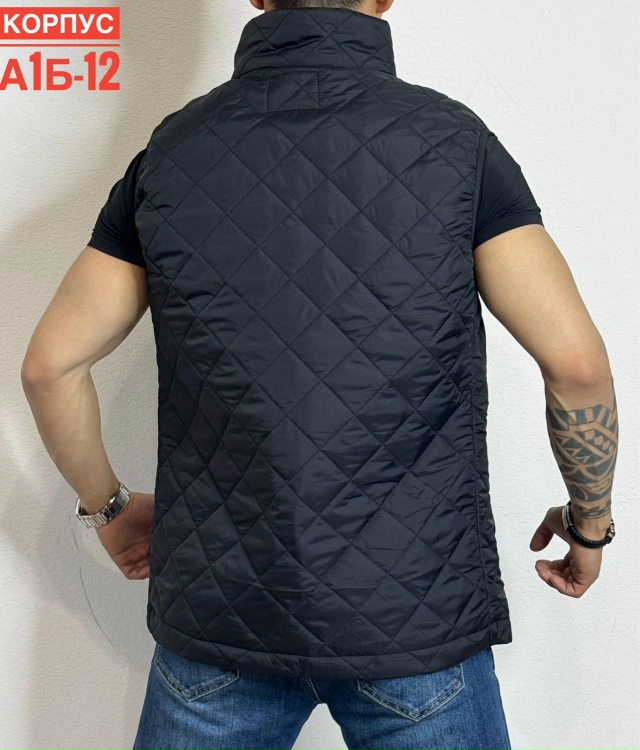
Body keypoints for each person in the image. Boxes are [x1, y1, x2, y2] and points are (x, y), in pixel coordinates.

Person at [21, 1, 618, 748]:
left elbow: (50, 366)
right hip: (414, 623)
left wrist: (107, 509)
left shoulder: (173, 151)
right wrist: (589, 524)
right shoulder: (455, 143)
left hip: (221, 617)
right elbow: (577, 367)